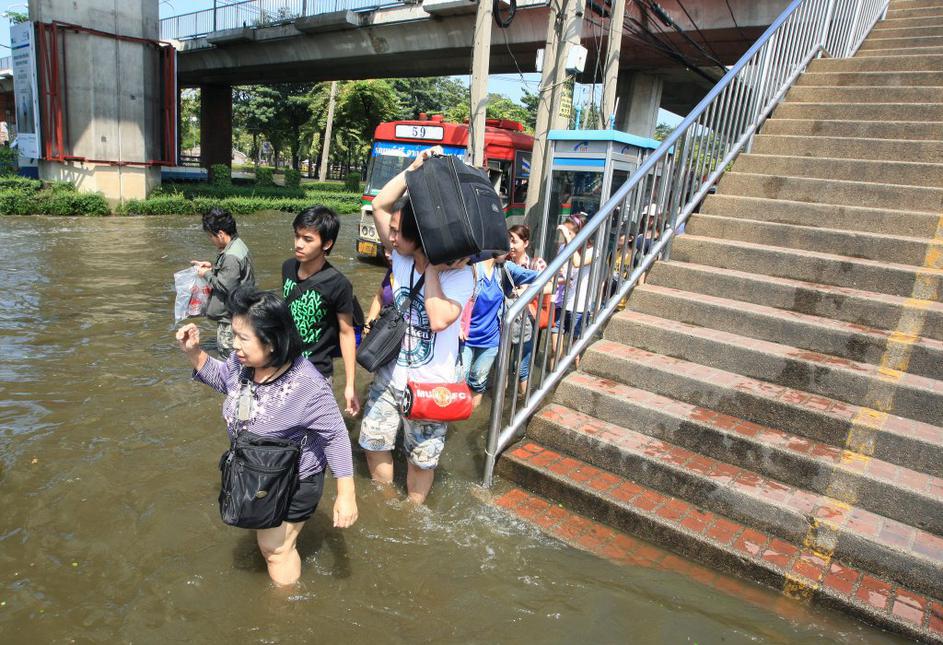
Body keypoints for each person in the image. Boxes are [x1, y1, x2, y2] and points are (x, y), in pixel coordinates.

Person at [175, 287, 357, 586]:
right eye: (234, 335)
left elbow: (335, 436)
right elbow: (224, 380)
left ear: (272, 342)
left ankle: (285, 607)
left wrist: (346, 495)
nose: (234, 345)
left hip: (295, 479)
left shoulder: (307, 386)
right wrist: (193, 351)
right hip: (256, 468)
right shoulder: (243, 364)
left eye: (243, 338)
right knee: (265, 535)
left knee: (276, 549)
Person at [359, 146, 474, 504]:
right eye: (391, 232)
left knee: (421, 459)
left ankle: (412, 507)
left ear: (419, 236)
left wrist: (433, 269)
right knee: (373, 441)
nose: (390, 238)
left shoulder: (461, 275)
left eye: (397, 232)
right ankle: (384, 501)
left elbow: (439, 320)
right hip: (389, 374)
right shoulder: (401, 258)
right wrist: (413, 169)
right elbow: (380, 205)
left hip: (432, 386)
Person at [282, 206, 360, 416]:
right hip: (283, 365)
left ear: (327, 244)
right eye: (297, 236)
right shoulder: (287, 268)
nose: (299, 244)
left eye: (307, 239)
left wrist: (350, 385)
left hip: (315, 373)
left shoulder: (338, 284)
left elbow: (346, 332)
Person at [462, 255, 539, 409]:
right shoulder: (471, 266)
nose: (509, 249)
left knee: (478, 383)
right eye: (506, 244)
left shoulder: (505, 268)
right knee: (459, 382)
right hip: (465, 338)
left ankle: (470, 415)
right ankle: (455, 418)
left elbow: (535, 276)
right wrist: (458, 324)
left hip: (490, 340)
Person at [192, 207, 255, 358]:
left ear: (220, 234)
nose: (211, 240)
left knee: (229, 360)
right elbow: (231, 276)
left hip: (230, 319)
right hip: (239, 313)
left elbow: (225, 286)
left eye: (210, 236)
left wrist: (206, 274)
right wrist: (212, 268)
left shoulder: (231, 256)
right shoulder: (237, 244)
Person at [506, 224, 550, 396]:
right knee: (502, 364)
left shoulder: (536, 263)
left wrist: (527, 291)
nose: (510, 245)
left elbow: (551, 286)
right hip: (505, 318)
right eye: (508, 240)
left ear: (525, 243)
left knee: (521, 366)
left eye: (514, 241)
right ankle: (501, 399)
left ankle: (523, 401)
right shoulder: (504, 262)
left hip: (527, 320)